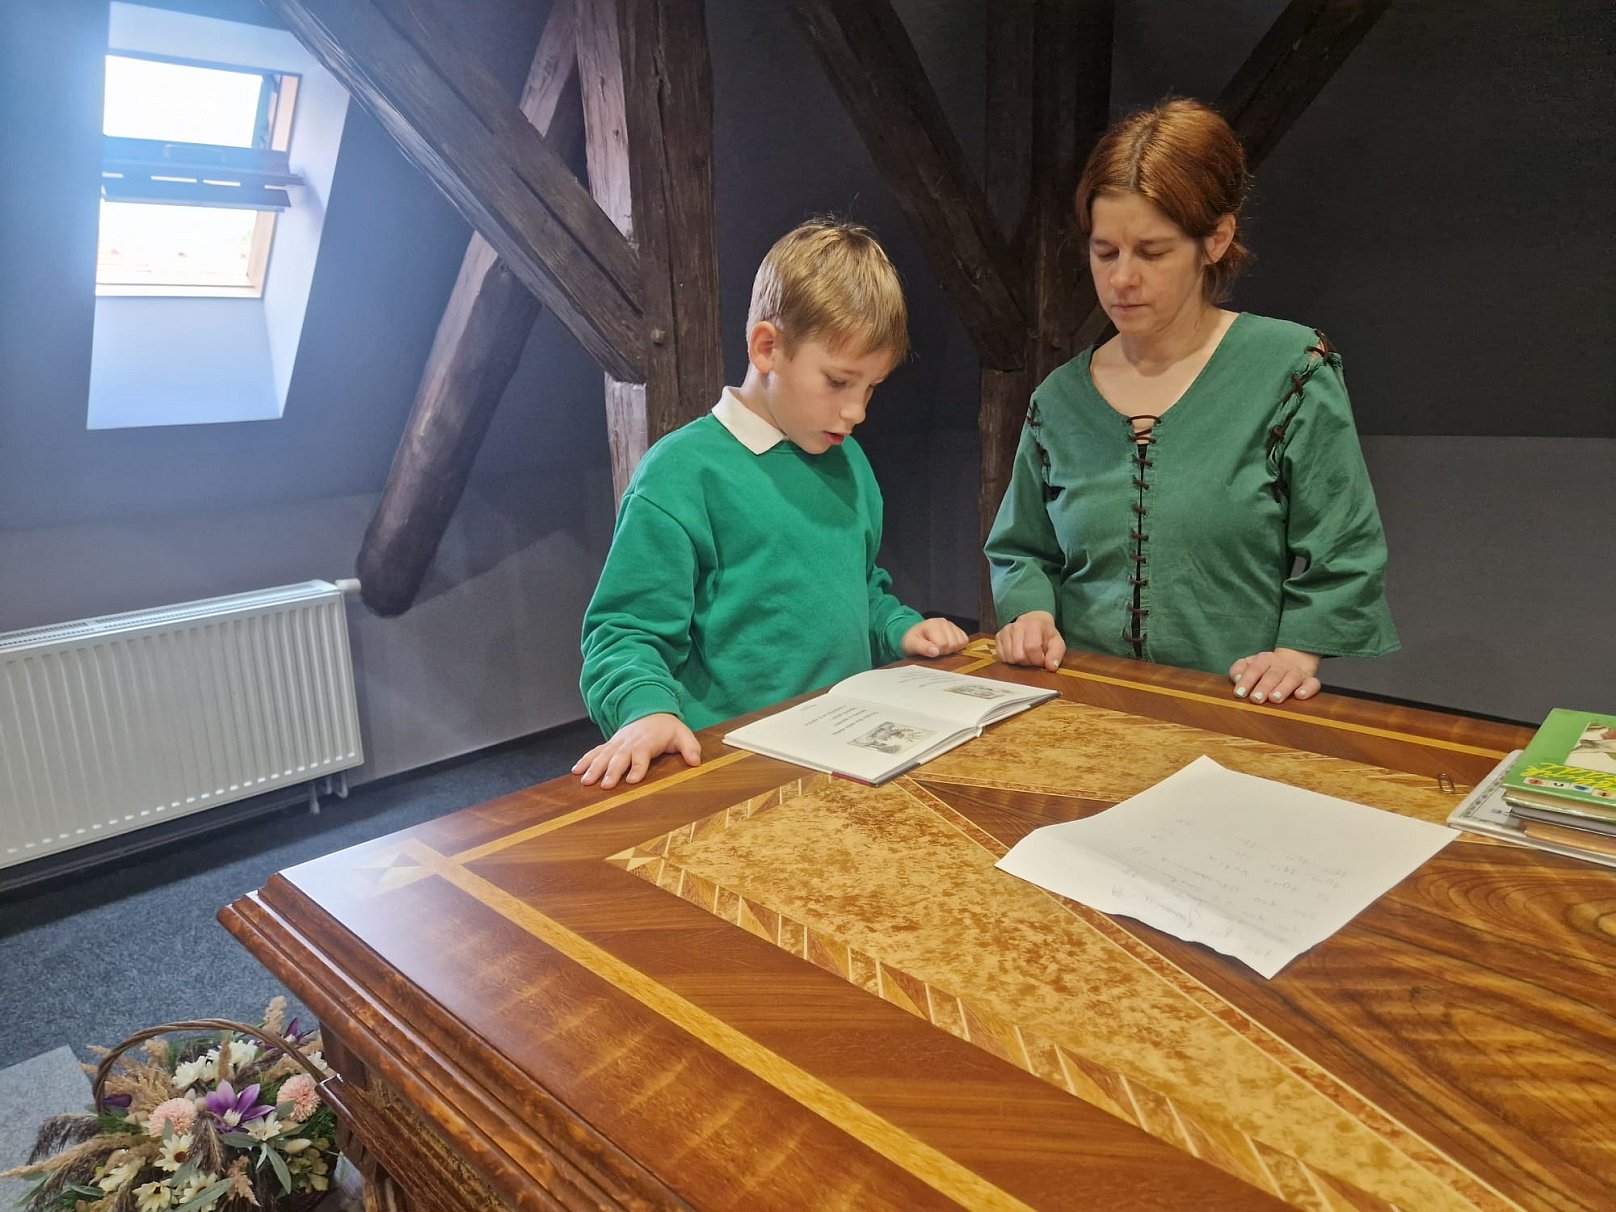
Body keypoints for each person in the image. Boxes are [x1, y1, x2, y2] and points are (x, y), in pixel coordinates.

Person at [985, 98, 1398, 705]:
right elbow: (1022, 548)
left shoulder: (1290, 372)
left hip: (1231, 711)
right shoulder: (1060, 399)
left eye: (1152, 252)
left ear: (1216, 240)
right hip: (1080, 709)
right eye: (1105, 251)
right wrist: (1031, 615)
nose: (1122, 279)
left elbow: (1346, 549)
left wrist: (1292, 655)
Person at [574, 219, 968, 789]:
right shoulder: (681, 474)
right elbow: (623, 631)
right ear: (767, 348)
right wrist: (645, 709)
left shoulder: (849, 461)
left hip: (848, 755)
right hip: (731, 768)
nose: (857, 411)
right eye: (839, 382)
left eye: (871, 388)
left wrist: (899, 628)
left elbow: (858, 585)